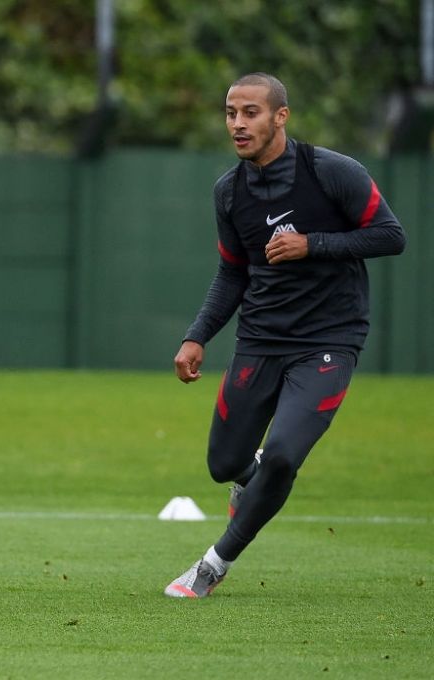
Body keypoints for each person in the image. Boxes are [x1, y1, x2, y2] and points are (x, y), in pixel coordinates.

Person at [165, 73, 406, 598]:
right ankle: (252, 488)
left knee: (280, 456)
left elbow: (391, 236)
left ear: (280, 117)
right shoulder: (229, 191)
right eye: (230, 112)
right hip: (259, 340)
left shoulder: (332, 172)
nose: (237, 123)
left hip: (328, 341)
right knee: (225, 465)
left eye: (250, 112)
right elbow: (233, 273)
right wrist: (196, 336)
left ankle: (212, 565)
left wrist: (312, 244)